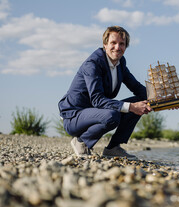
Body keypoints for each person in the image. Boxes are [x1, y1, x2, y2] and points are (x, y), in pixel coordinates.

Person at [58, 26, 152, 159]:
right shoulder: (93, 63)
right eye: (113, 43)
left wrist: (162, 101)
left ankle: (113, 148)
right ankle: (81, 142)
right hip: (74, 116)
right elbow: (97, 100)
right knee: (113, 115)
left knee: (140, 102)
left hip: (96, 112)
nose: (117, 47)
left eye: (122, 44)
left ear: (126, 47)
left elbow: (137, 88)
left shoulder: (120, 63)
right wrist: (131, 107)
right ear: (105, 45)